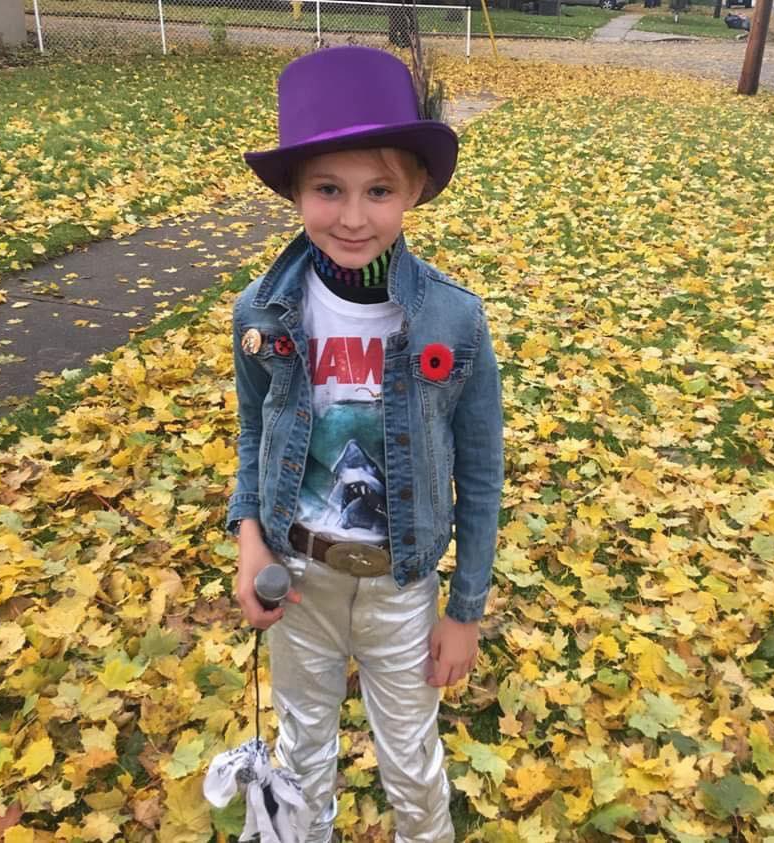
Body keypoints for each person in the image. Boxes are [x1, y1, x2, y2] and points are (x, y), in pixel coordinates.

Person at [226, 45, 504, 843]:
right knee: (300, 751)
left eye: (378, 190)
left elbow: (481, 473)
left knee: (411, 760)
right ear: (294, 191)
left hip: (400, 587)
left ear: (414, 189)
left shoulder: (454, 319)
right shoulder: (261, 312)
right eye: (328, 189)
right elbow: (253, 432)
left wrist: (464, 611)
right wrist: (250, 540)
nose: (353, 217)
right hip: (299, 579)